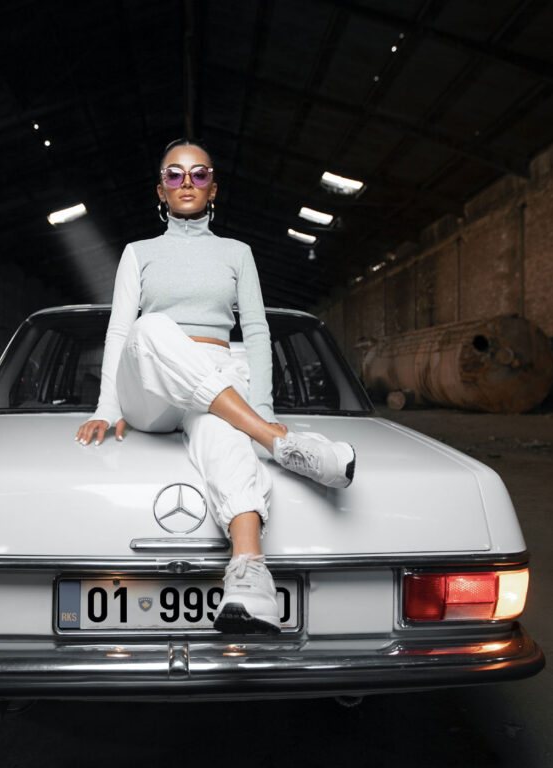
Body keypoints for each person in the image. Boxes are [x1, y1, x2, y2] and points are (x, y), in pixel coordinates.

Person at [75, 138, 355, 633]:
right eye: (174, 174)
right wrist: (106, 407)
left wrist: (261, 405)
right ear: (160, 190)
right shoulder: (138, 253)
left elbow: (257, 331)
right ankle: (278, 444)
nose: (187, 182)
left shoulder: (237, 253)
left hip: (216, 382)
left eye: (199, 174)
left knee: (223, 431)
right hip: (149, 386)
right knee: (150, 327)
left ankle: (250, 576)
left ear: (213, 188)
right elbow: (120, 330)